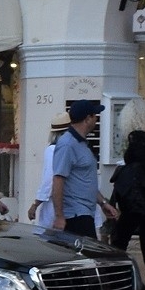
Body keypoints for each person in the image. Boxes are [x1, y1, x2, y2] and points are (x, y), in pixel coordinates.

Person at [106, 99, 145, 290]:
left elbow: (132, 164)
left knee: (120, 238)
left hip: (138, 192)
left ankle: (116, 284)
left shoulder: (136, 138)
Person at [34, 100, 102, 236]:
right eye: (95, 115)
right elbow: (57, 179)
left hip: (86, 212)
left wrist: (103, 203)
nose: (97, 119)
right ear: (87, 119)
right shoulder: (67, 145)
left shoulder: (82, 144)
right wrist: (59, 216)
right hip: (76, 213)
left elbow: (86, 180)